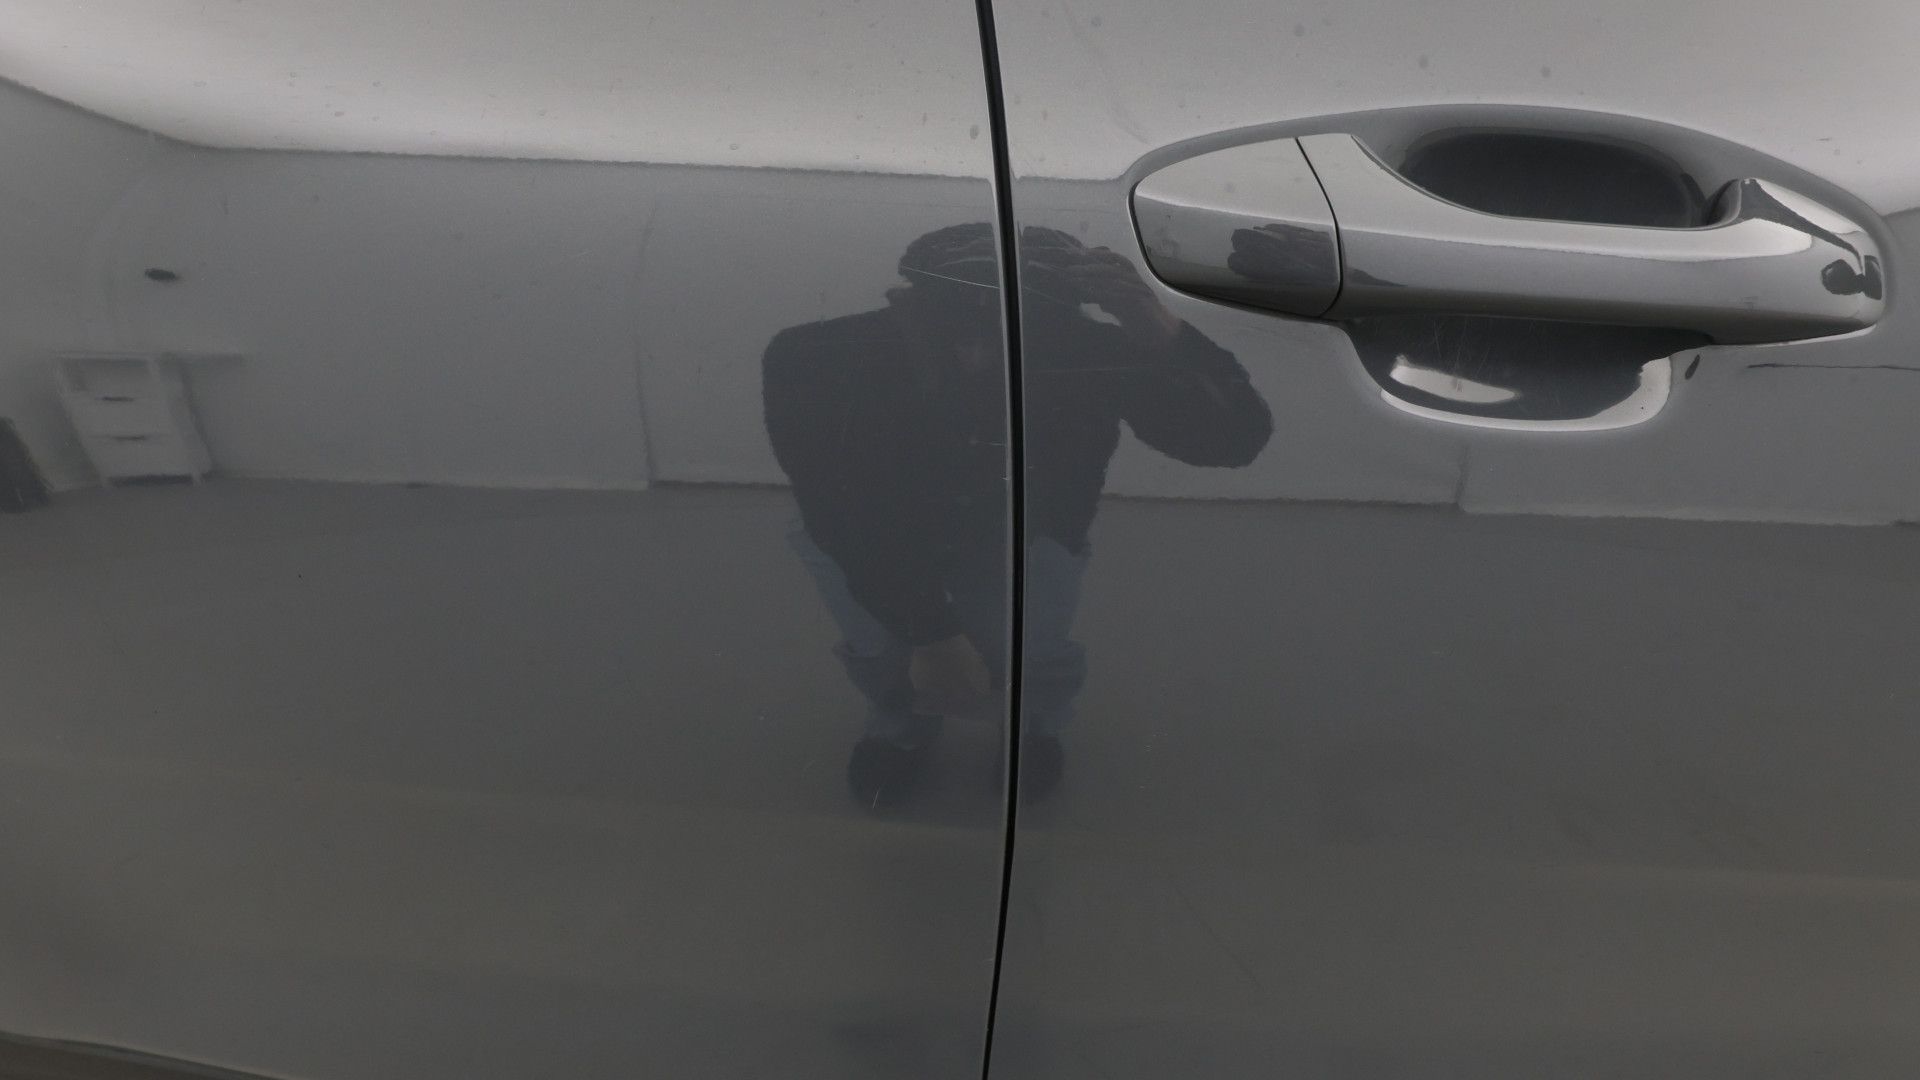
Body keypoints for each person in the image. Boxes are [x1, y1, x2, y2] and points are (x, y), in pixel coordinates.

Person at [764, 223, 1271, 809]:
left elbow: (1233, 441)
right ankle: (903, 723)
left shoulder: (1088, 353)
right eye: (957, 328)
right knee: (881, 646)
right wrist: (931, 635)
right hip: (875, 529)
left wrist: (1156, 326)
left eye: (1015, 335)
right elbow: (837, 506)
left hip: (1026, 530)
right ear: (906, 303)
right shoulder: (820, 357)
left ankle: (1026, 725)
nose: (980, 353)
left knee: (1034, 652)